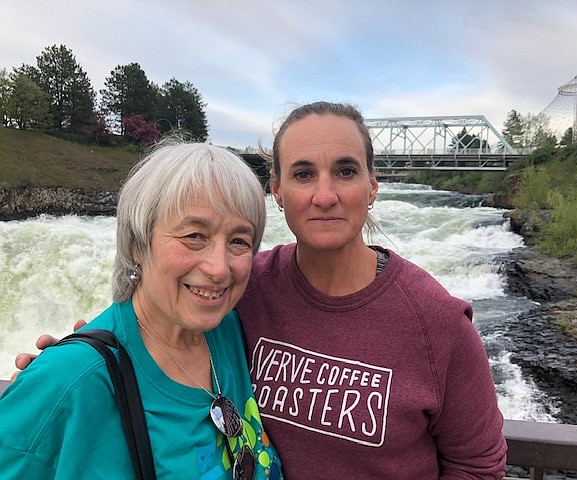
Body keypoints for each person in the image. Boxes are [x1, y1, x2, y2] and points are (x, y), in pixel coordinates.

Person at [13, 102, 507, 478]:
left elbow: (479, 465)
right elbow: (151, 313)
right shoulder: (245, 288)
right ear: (277, 190)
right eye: (303, 173)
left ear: (373, 185)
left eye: (347, 171)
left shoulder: (435, 322)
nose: (325, 194)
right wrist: (78, 360)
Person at [1, 142, 283, 479]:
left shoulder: (231, 328)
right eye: (194, 235)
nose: (220, 269)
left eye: (239, 241)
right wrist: (59, 381)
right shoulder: (70, 383)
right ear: (137, 243)